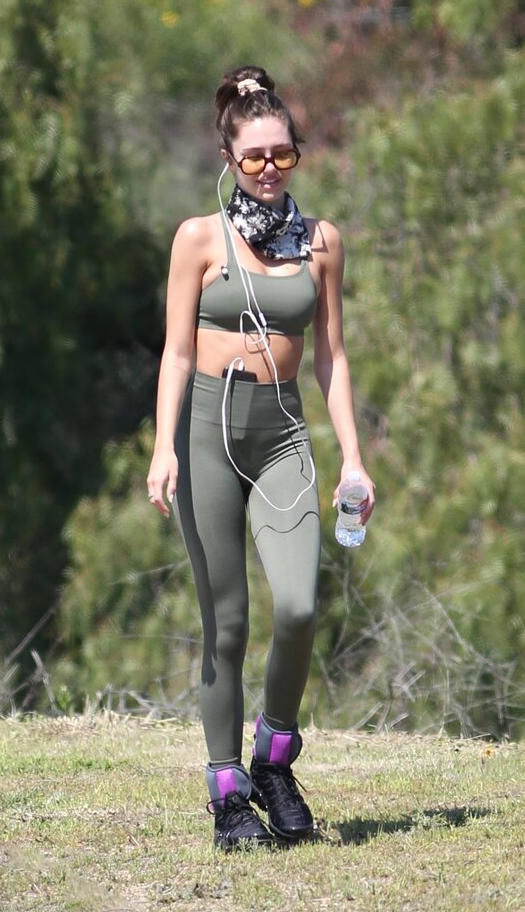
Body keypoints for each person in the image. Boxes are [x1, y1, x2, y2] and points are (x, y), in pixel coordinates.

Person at [146, 65, 375, 851]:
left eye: (284, 154)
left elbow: (332, 358)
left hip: (281, 435)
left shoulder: (322, 243)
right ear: (228, 156)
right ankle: (227, 793)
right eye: (254, 156)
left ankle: (273, 757)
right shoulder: (198, 239)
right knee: (228, 624)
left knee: (300, 607)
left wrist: (353, 459)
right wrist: (162, 448)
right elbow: (177, 352)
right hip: (206, 433)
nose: (270, 168)